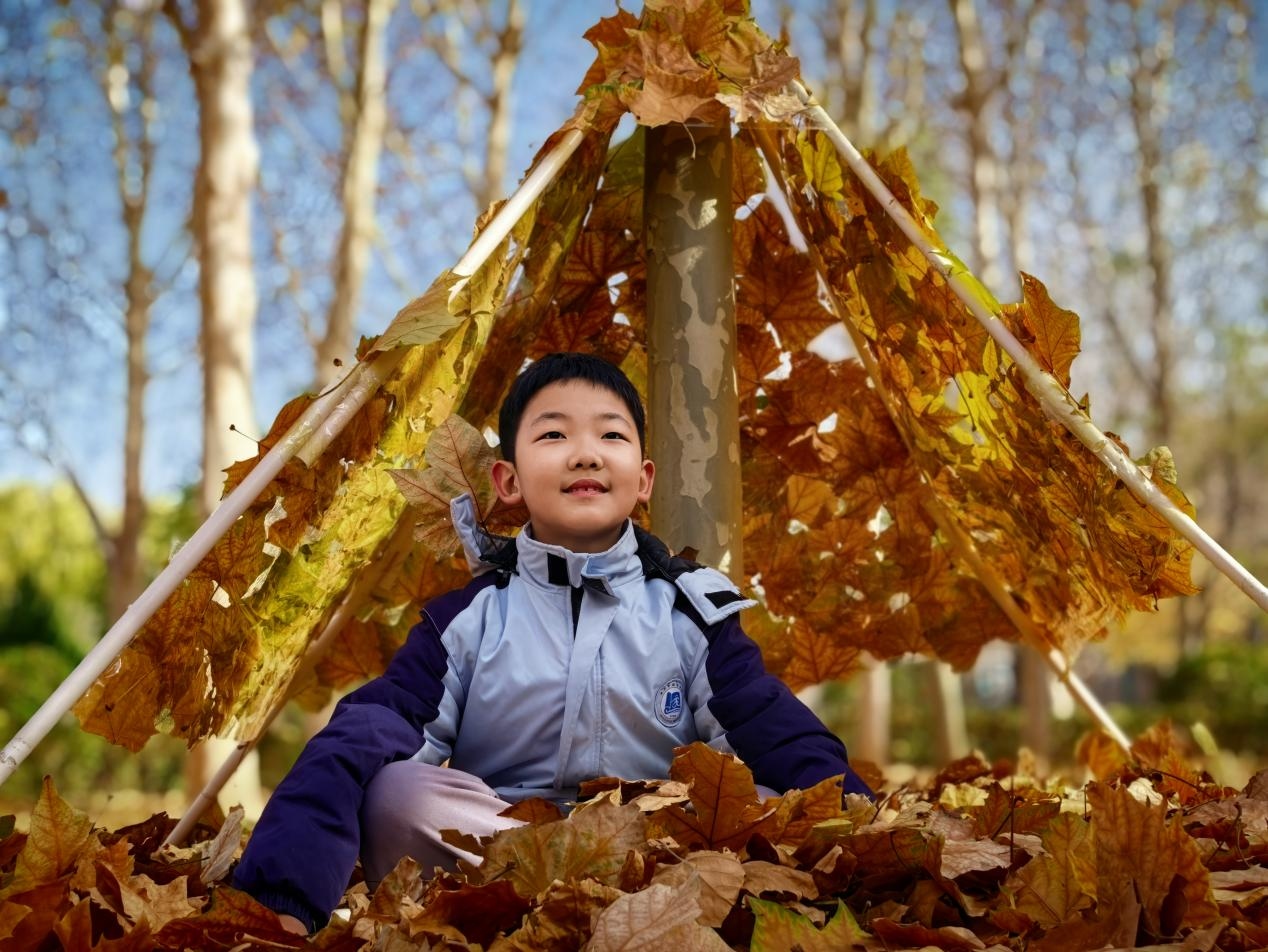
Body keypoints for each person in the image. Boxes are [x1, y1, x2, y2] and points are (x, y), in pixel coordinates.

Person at [232, 352, 872, 934]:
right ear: (508, 481)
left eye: (611, 435)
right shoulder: (469, 619)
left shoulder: (689, 613)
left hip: (656, 857)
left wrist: (863, 835)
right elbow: (370, 729)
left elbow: (775, 731)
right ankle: (506, 922)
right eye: (555, 434)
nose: (586, 454)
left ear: (643, 479)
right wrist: (281, 900)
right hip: (501, 851)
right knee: (396, 792)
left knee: (764, 808)